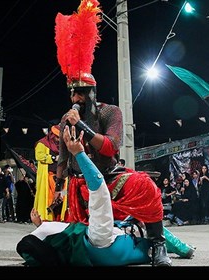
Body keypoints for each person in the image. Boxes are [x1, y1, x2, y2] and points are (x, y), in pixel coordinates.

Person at [52, 0, 171, 266]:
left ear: (91, 94)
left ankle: (158, 245)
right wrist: (58, 188)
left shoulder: (110, 112)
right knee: (72, 239)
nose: (74, 97)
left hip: (108, 178)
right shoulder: (65, 119)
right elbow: (61, 157)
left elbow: (111, 147)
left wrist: (81, 125)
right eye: (72, 92)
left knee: (147, 187)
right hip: (78, 184)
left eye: (79, 92)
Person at [17, 126, 194, 266]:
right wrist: (79, 153)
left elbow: (48, 233)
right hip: (113, 237)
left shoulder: (65, 248)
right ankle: (163, 245)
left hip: (106, 232)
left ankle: (167, 245)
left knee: (131, 215)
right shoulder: (98, 238)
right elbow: (98, 187)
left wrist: (41, 225)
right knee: (138, 217)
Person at [34, 125, 66, 221]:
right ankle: (47, 218)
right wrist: (53, 158)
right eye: (56, 136)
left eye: (59, 137)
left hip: (63, 178)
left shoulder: (63, 146)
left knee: (63, 196)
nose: (57, 139)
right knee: (49, 197)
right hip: (49, 177)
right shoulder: (42, 143)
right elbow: (39, 156)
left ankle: (60, 217)